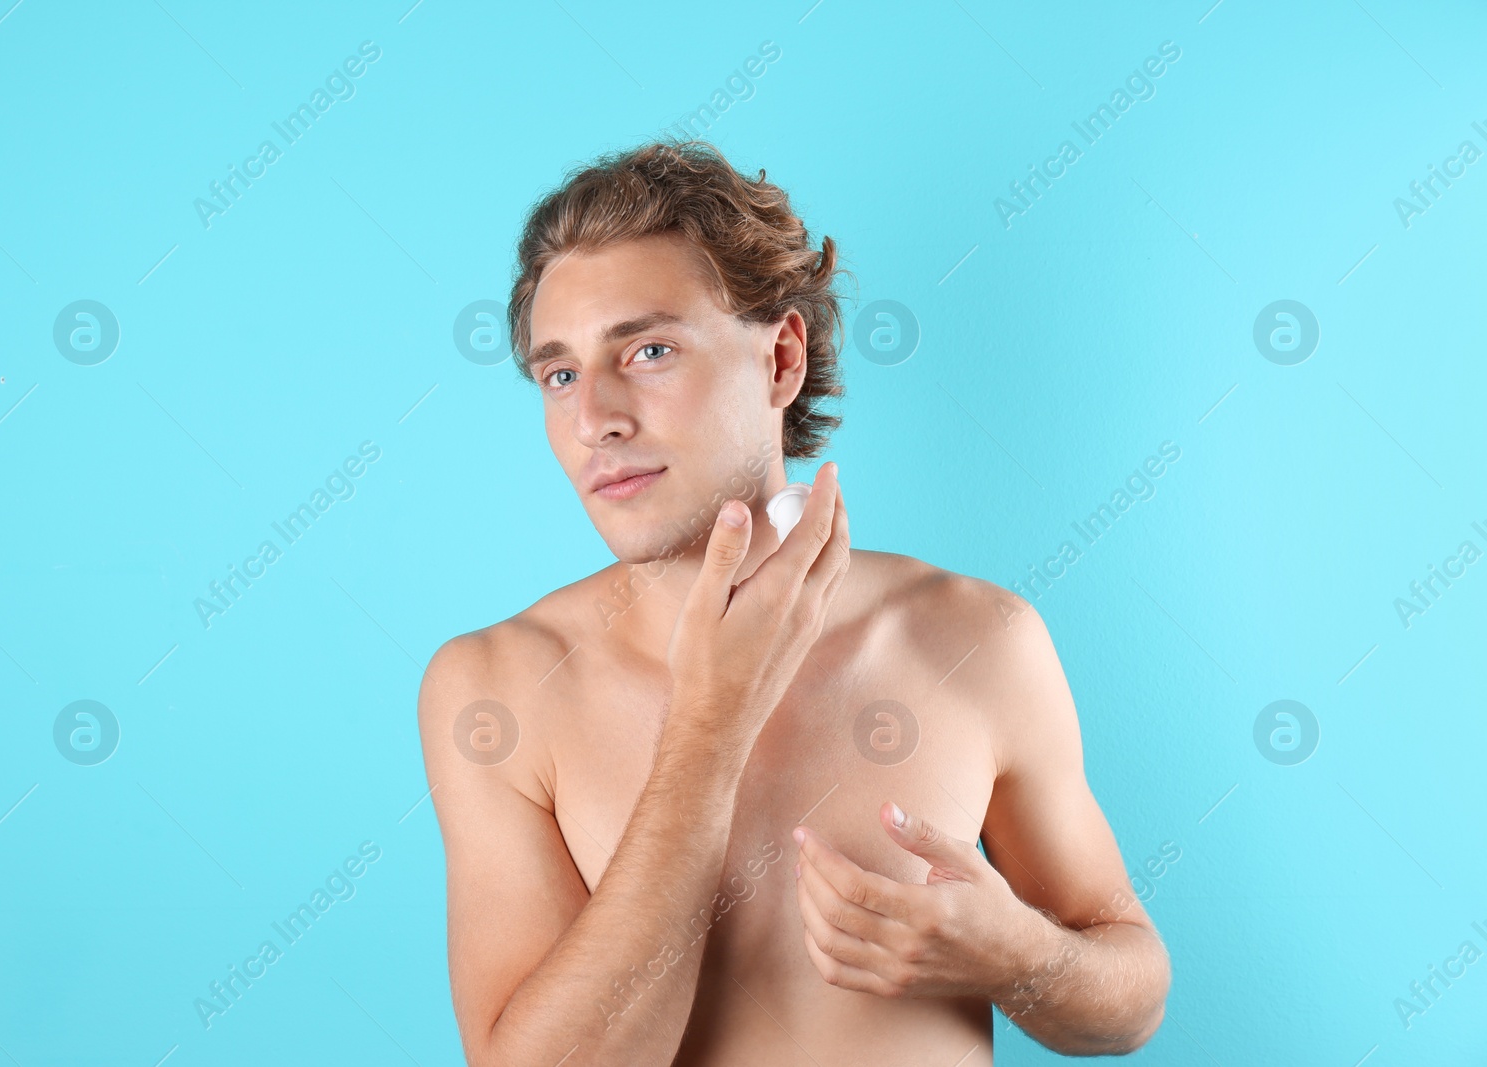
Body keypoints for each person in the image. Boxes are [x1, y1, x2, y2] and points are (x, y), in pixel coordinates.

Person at [417, 141, 1170, 1066]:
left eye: (648, 350)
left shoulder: (980, 638)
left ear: (779, 360)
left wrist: (1016, 955)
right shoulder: (499, 686)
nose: (593, 419)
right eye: (560, 373)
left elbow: (1129, 1002)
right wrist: (708, 730)